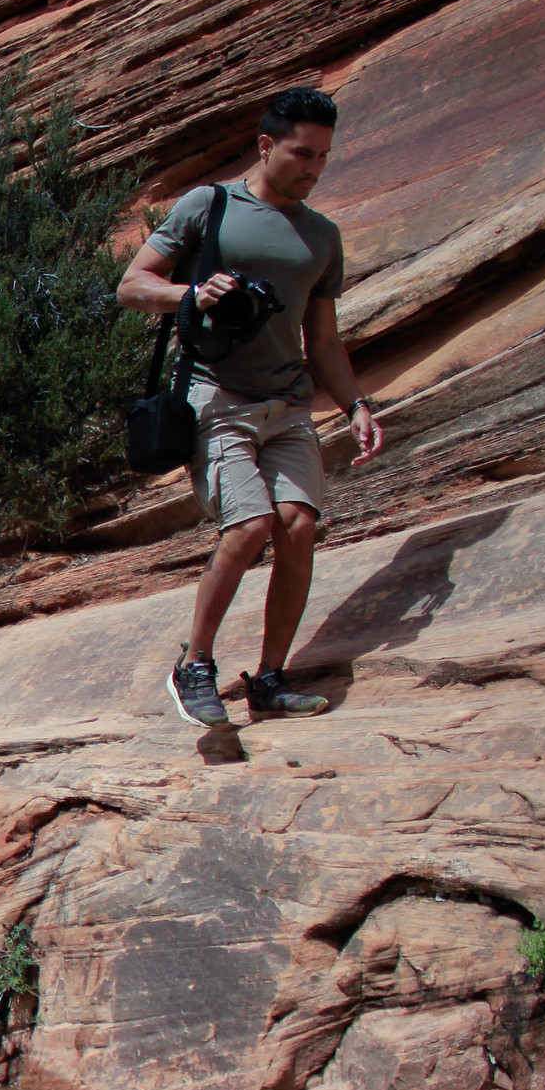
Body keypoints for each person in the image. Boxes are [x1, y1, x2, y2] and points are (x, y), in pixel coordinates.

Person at [118, 87, 384, 727]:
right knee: (248, 526)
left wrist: (355, 405)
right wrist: (194, 292)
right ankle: (195, 666)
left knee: (297, 528)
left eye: (322, 157)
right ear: (266, 146)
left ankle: (268, 679)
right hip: (217, 393)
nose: (313, 169)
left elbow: (321, 339)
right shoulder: (208, 205)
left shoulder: (323, 237)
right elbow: (131, 286)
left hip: (287, 404)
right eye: (301, 154)